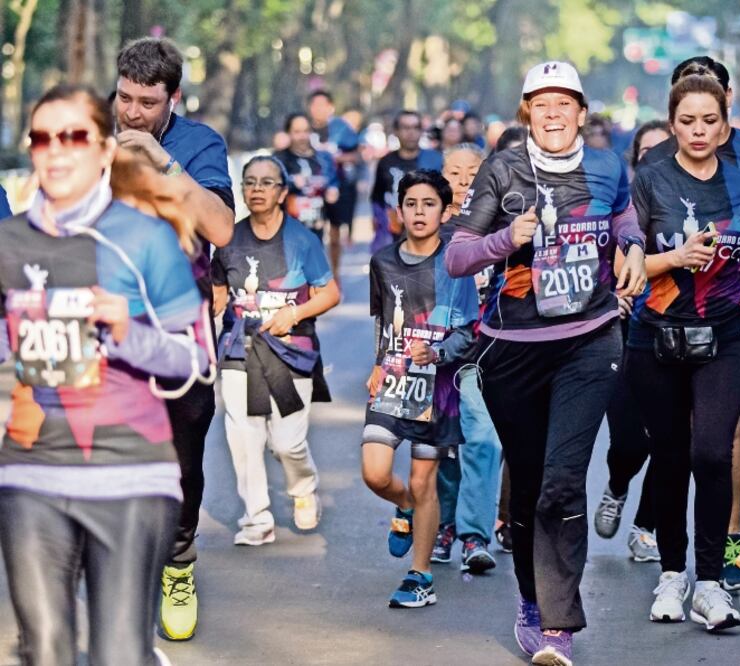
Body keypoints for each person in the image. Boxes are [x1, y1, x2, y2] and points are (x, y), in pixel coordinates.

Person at [0, 84, 211, 665]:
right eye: (43, 138)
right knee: (45, 649)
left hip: (129, 471)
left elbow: (195, 359)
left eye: (73, 136)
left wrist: (126, 331)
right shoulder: (9, 242)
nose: (56, 150)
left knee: (118, 654)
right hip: (33, 469)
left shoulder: (144, 238)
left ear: (103, 150)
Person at [446, 60, 647, 666]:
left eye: (564, 103)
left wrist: (634, 246)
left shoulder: (607, 165)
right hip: (514, 347)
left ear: (582, 113)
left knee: (562, 480)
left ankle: (558, 624)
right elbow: (457, 256)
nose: (553, 114)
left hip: (590, 339)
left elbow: (623, 215)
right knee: (530, 482)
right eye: (542, 104)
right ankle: (531, 601)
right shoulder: (502, 170)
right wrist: (507, 239)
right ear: (527, 113)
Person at [627, 54, 740, 595]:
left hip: (730, 326)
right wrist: (676, 259)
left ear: (725, 121)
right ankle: (672, 573)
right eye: (687, 120)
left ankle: (715, 568)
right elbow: (624, 262)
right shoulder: (651, 176)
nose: (698, 130)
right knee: (672, 451)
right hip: (659, 329)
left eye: (709, 120)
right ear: (672, 122)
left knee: (713, 445)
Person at [114, 35, 235, 642]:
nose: (132, 113)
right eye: (125, 98)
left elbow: (221, 227)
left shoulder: (198, 145)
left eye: (147, 102)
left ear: (173, 99)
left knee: (182, 463)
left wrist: (161, 162)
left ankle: (178, 564)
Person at [362, 170, 479, 608]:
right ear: (399, 210)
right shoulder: (382, 261)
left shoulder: (456, 264)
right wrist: (377, 363)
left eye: (429, 204)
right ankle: (405, 505)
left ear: (445, 212)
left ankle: (420, 575)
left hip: (438, 389)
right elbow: (382, 321)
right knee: (375, 473)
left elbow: (469, 330)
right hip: (393, 383)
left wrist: (439, 352)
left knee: (423, 479)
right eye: (411, 203)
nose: (419, 212)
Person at [211, 156, 340, 546]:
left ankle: (303, 488)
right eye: (250, 182)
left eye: (267, 183)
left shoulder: (302, 240)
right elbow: (217, 295)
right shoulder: (228, 239)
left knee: (287, 442)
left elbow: (330, 293)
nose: (257, 189)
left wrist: (294, 313)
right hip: (240, 347)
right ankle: (257, 518)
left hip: (291, 351)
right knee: (243, 435)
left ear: (282, 192)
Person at [592, 118, 672, 564]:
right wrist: (609, 297)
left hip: (677, 330)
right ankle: (617, 485)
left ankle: (646, 527)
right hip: (624, 333)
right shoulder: (617, 205)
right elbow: (592, 263)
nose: (656, 160)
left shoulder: (693, 199)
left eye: (665, 150)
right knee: (628, 439)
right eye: (647, 152)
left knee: (671, 439)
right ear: (635, 159)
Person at [431, 143, 504, 574]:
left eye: (472, 172)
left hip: (489, 351)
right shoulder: (431, 228)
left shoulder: (500, 225)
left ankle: (474, 534)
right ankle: (443, 525)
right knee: (443, 445)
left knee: (483, 440)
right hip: (439, 353)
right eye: (453, 173)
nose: (462, 181)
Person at [369, 110, 444, 253]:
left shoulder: (435, 160)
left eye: (415, 128)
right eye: (405, 128)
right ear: (396, 131)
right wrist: (381, 220)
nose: (411, 133)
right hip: (393, 234)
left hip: (428, 234)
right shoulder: (385, 162)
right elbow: (377, 197)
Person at [307, 90, 360, 276]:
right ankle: (314, 275)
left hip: (337, 186)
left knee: (335, 234)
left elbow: (356, 155)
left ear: (331, 107)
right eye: (315, 105)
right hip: (310, 189)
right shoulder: (304, 129)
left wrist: (336, 158)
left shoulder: (341, 128)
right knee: (311, 235)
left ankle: (335, 275)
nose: (318, 109)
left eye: (323, 105)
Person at [274, 112, 340, 240]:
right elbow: (270, 186)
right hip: (287, 231)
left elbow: (333, 182)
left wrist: (333, 190)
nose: (302, 136)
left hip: (316, 228)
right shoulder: (279, 160)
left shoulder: (323, 159)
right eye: (297, 132)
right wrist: (291, 183)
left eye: (306, 131)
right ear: (288, 133)